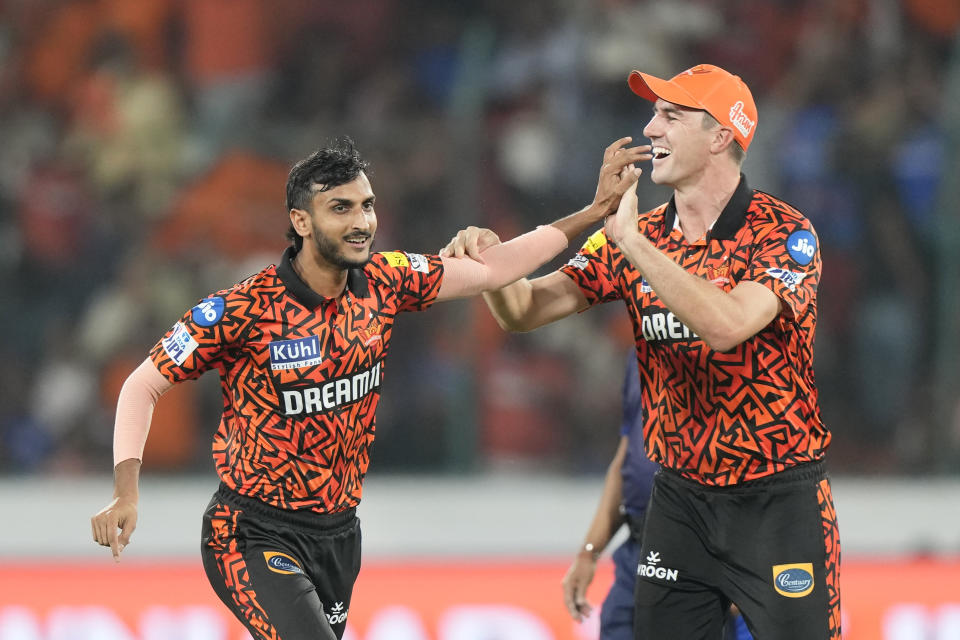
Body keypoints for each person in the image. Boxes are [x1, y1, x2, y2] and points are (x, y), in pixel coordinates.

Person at [90, 136, 650, 640]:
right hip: (252, 532)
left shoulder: (385, 280)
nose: (361, 222)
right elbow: (142, 386)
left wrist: (594, 212)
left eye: (367, 205)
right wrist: (126, 491)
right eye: (341, 209)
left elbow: (494, 271)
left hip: (338, 536)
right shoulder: (243, 308)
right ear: (301, 221)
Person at [444, 64, 840, 639]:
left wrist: (632, 244)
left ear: (721, 136)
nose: (650, 128)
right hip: (679, 501)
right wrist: (492, 264)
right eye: (654, 113)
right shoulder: (639, 233)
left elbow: (727, 325)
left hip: (777, 501)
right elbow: (525, 311)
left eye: (671, 115)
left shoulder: (783, 232)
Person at [561, 352, 753, 640]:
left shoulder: (725, 347)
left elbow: (755, 464)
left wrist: (742, 563)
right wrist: (588, 553)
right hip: (637, 549)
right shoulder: (639, 354)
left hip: (700, 550)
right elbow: (626, 460)